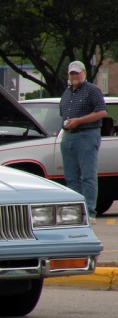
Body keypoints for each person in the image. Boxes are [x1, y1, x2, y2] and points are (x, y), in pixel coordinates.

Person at [59, 60, 107, 224]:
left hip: (87, 135)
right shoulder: (66, 93)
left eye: (77, 73)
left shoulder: (92, 90)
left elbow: (102, 112)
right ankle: (75, 212)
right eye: (72, 73)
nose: (74, 76)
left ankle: (89, 212)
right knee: (71, 177)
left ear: (84, 73)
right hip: (69, 136)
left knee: (88, 176)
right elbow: (63, 115)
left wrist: (79, 121)